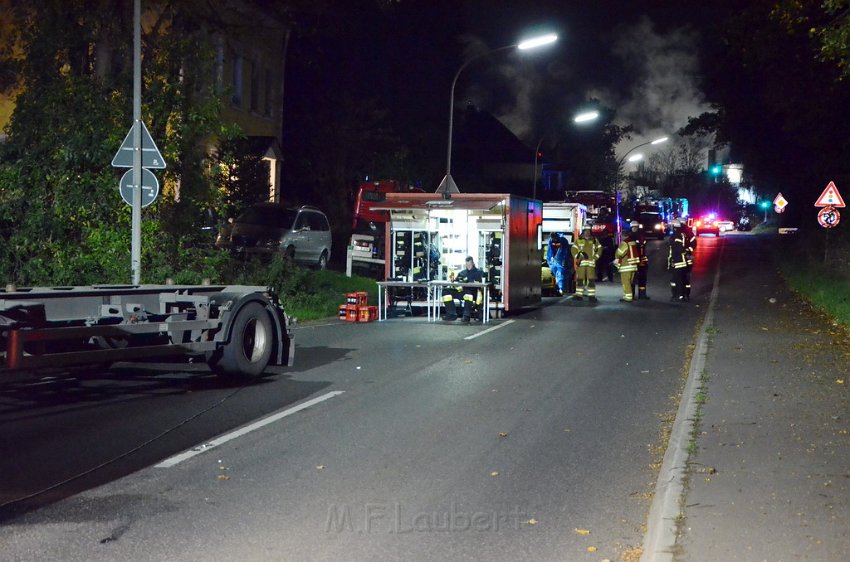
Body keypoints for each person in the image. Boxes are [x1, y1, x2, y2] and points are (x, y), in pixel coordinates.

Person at [442, 256, 483, 322]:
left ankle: (466, 316)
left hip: (472, 293)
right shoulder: (462, 273)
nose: (468, 266)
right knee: (445, 291)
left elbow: (481, 283)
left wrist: (470, 281)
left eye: (469, 264)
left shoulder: (479, 272)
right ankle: (451, 314)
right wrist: (452, 281)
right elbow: (456, 282)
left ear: (473, 263)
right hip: (461, 291)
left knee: (468, 294)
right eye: (467, 265)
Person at [571, 228, 601, 302]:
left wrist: (595, 257)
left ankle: (591, 296)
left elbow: (600, 249)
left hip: (591, 264)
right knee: (580, 279)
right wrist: (578, 256)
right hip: (581, 263)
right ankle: (579, 295)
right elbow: (573, 249)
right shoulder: (578, 240)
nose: (587, 233)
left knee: (591, 280)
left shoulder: (594, 240)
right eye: (586, 231)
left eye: (589, 231)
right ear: (583, 232)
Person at [667, 222, 690, 301]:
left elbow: (678, 248)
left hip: (677, 261)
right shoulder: (682, 235)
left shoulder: (675, 236)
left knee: (677, 279)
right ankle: (681, 295)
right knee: (681, 279)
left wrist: (672, 260)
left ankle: (679, 296)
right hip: (682, 261)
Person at [616, 228, 640, 302]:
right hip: (633, 265)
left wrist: (616, 255)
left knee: (626, 282)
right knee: (630, 282)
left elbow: (620, 253)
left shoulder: (624, 243)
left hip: (626, 265)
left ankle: (628, 297)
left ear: (623, 235)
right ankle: (629, 295)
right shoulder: (632, 242)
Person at [632, 222, 650, 299]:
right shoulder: (633, 236)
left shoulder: (640, 236)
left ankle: (642, 294)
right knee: (632, 278)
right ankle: (631, 295)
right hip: (634, 261)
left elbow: (642, 247)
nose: (635, 228)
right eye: (634, 227)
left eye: (636, 227)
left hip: (640, 260)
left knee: (642, 278)